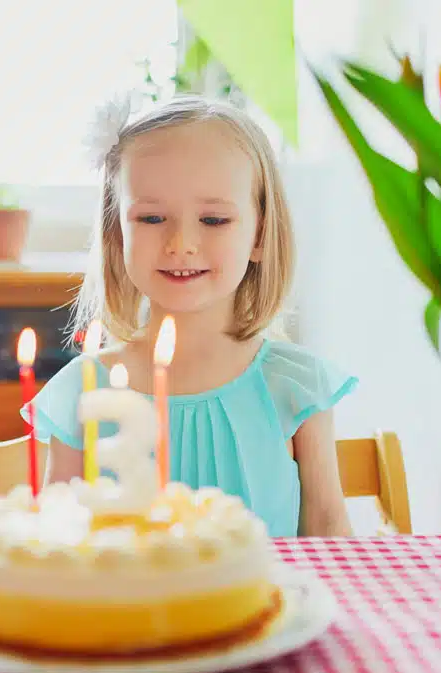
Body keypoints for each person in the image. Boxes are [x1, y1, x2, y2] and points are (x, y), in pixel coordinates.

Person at [22, 94, 357, 537]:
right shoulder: (82, 392)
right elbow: (55, 542)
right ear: (116, 234)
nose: (181, 243)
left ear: (260, 235)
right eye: (153, 217)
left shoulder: (295, 387)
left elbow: (328, 528)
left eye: (214, 220)